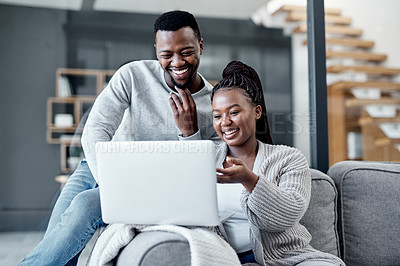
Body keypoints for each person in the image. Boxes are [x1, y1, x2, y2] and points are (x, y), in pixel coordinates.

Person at [19, 10, 220, 266]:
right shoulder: (133, 75)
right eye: (166, 55)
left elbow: (205, 171)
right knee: (59, 244)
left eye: (186, 52)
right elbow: (95, 130)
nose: (177, 62)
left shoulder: (215, 104)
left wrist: (190, 133)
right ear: (156, 51)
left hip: (150, 183)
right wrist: (112, 185)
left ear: (200, 46)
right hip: (99, 168)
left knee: (82, 208)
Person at [212, 60, 345, 265]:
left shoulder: (288, 158)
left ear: (257, 111)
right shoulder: (208, 159)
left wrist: (251, 181)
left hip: (288, 257)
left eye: (234, 112)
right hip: (227, 259)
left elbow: (288, 216)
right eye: (217, 116)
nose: (225, 122)